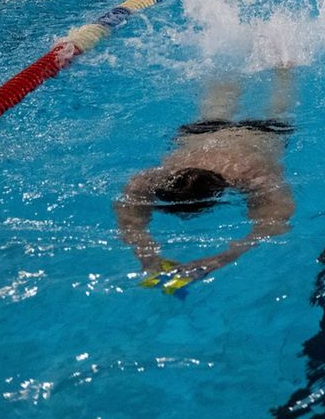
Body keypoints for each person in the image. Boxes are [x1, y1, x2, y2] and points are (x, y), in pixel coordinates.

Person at [116, 70, 296, 291]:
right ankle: (283, 66)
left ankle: (281, 68)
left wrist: (219, 260)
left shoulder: (246, 171)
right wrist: (147, 255)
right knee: (276, 93)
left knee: (276, 101)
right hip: (214, 133)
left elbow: (276, 223)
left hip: (247, 131)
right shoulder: (244, 173)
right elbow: (273, 222)